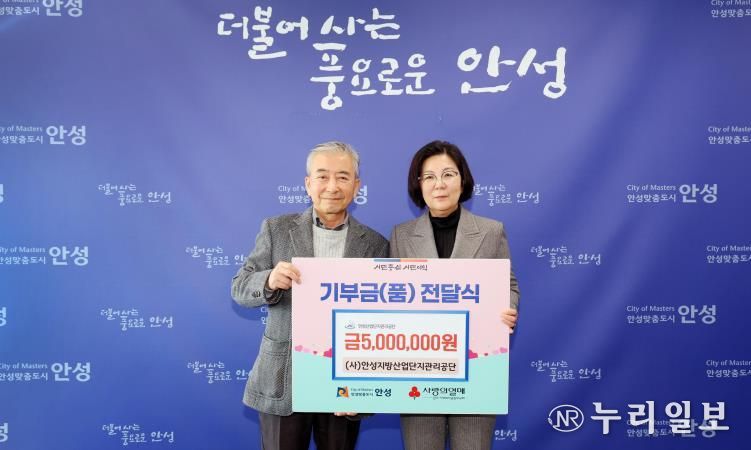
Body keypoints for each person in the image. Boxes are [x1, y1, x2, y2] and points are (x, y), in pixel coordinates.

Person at [231, 141, 389, 450]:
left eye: (343, 177)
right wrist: (269, 280)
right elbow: (240, 287)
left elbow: (383, 321)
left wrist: (366, 387)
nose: (332, 186)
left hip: (345, 381)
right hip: (284, 377)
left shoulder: (375, 244)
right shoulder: (276, 229)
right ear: (308, 183)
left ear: (357, 186)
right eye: (323, 176)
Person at [390, 140, 520, 450]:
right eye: (429, 176)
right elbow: (392, 297)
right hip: (419, 370)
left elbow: (508, 285)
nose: (439, 184)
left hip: (476, 367)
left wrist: (507, 309)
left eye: (448, 174)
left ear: (463, 180)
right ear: (418, 185)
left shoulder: (491, 231)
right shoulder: (401, 235)